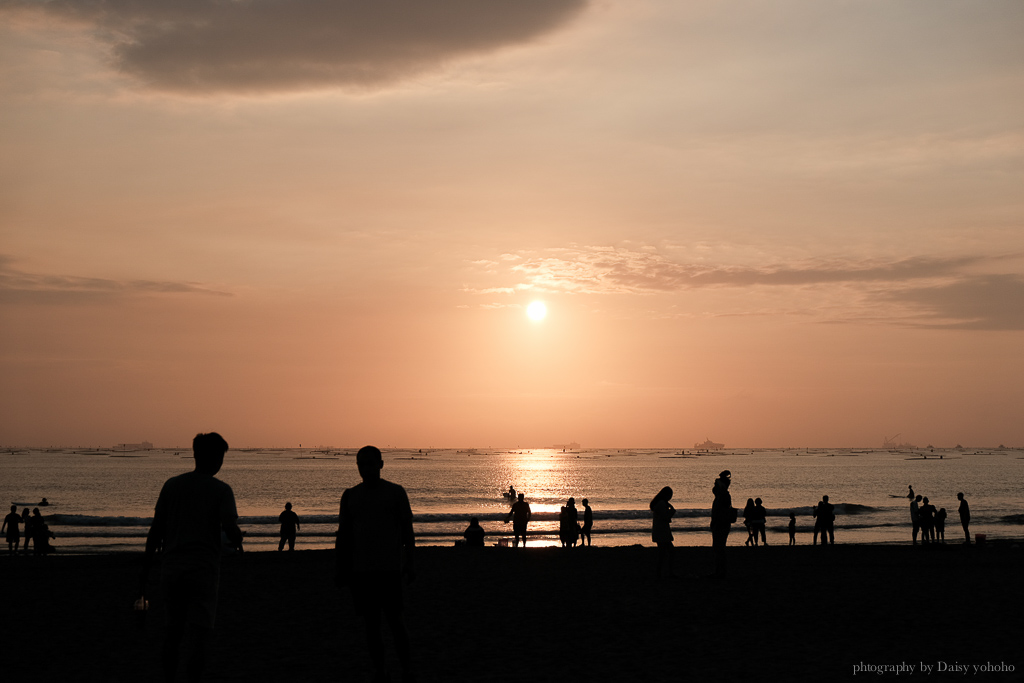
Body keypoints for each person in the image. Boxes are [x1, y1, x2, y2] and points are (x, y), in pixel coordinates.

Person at [142, 432, 243, 683]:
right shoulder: (221, 490)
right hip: (204, 569)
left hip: (172, 568)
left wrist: (147, 564)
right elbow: (231, 528)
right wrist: (237, 538)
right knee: (199, 637)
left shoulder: (172, 485)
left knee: (172, 632)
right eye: (220, 456)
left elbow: (156, 529)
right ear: (215, 458)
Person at [336, 445, 416, 683]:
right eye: (362, 464)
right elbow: (343, 535)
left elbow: (408, 532)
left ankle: (406, 670)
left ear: (381, 464)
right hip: (361, 572)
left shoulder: (396, 493)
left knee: (396, 623)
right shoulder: (350, 496)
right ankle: (381, 671)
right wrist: (340, 567)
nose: (366, 468)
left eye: (371, 463)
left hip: (389, 570)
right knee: (371, 627)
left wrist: (410, 563)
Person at [710, 471, 734, 578]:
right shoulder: (721, 496)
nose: (714, 487)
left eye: (716, 485)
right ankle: (719, 571)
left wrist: (720, 479)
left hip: (721, 524)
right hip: (719, 524)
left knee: (719, 548)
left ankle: (720, 571)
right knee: (718, 548)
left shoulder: (724, 495)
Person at [650, 486, 675, 578]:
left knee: (663, 553)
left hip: (660, 531)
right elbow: (665, 517)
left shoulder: (660, 503)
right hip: (662, 531)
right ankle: (666, 573)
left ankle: (661, 573)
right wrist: (672, 510)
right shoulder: (661, 504)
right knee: (668, 552)